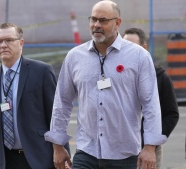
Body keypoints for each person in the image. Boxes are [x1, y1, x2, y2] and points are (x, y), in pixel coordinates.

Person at [44, 1, 167, 169]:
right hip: (86, 153)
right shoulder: (75, 57)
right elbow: (62, 102)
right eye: (93, 19)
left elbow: (150, 104)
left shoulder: (139, 57)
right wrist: (57, 146)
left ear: (117, 23)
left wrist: (150, 147)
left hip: (125, 156)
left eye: (103, 20)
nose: (96, 25)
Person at [0, 22, 70, 169]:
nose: (3, 45)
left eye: (9, 40)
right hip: (5, 161)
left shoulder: (41, 71)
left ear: (21, 43)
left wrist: (62, 151)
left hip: (39, 159)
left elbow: (56, 114)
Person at [123, 27, 179, 169]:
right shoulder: (114, 74)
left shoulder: (159, 76)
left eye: (133, 47)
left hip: (147, 150)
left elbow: (171, 114)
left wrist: (151, 144)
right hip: (117, 151)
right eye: (123, 47)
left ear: (144, 48)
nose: (127, 52)